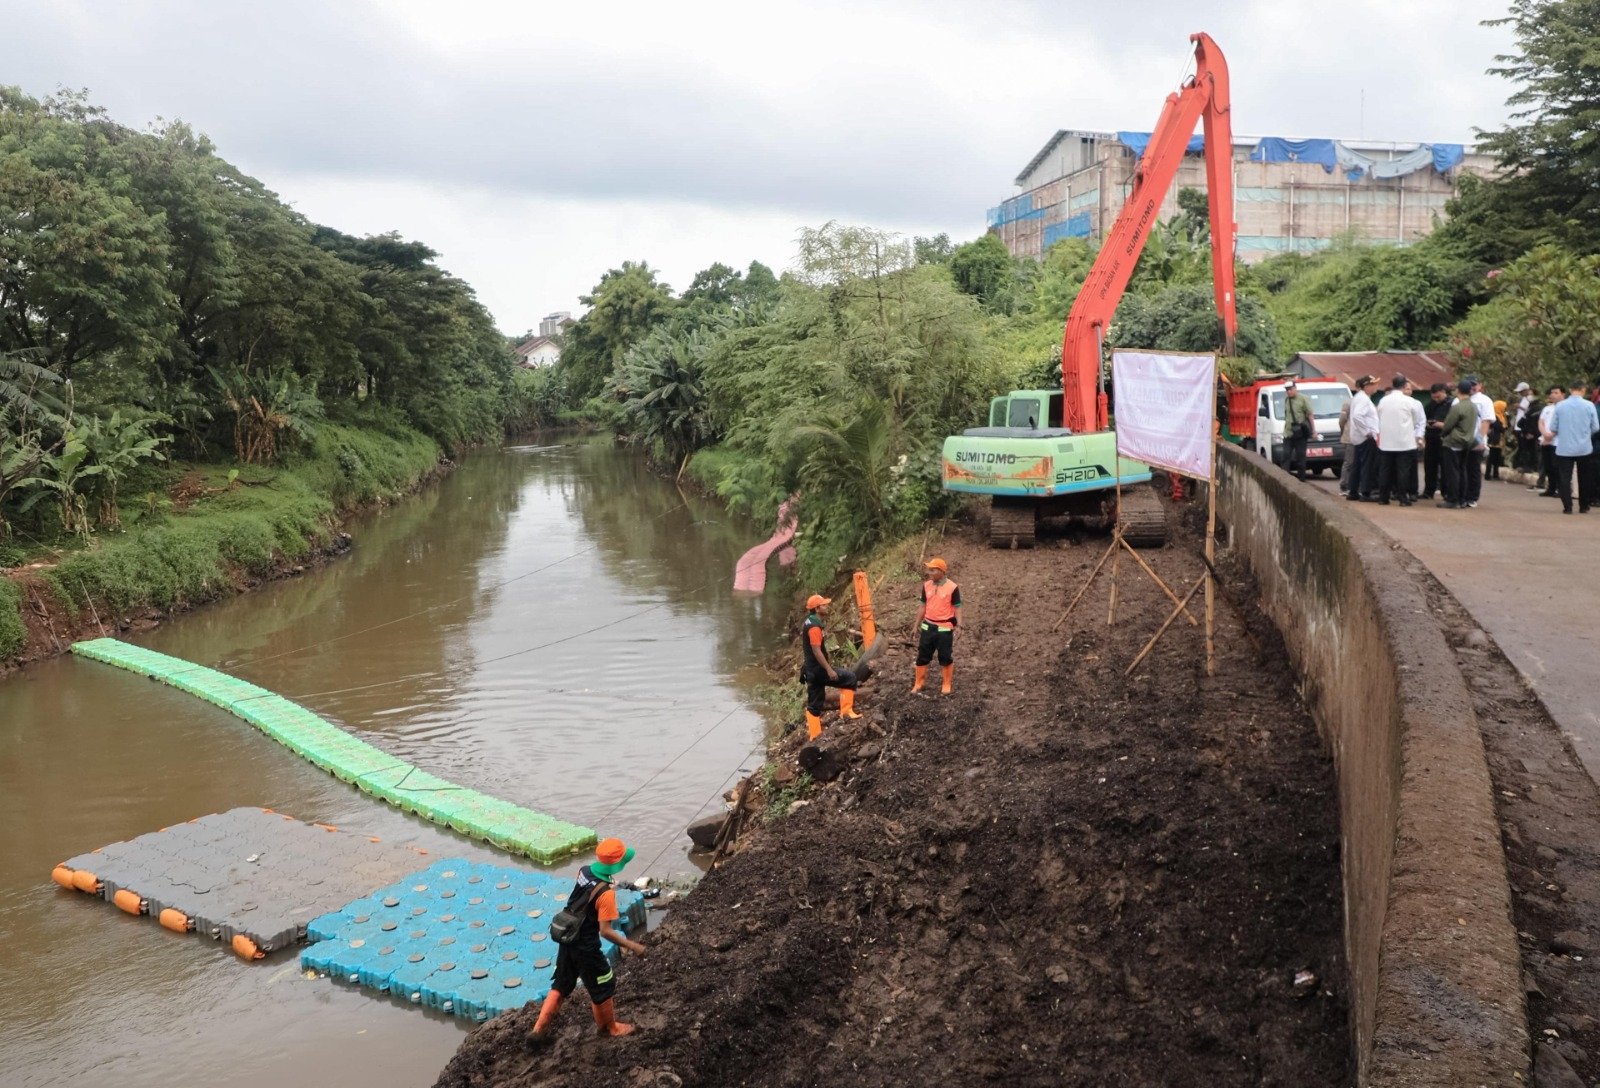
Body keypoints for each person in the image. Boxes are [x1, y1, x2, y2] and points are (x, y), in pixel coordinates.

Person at [530, 837, 648, 1041]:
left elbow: (587, 889)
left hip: (568, 937)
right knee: (603, 983)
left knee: (561, 984)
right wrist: (632, 945)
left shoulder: (583, 871)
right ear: (617, 865)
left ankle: (538, 1030)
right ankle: (609, 1028)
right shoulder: (606, 895)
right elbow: (606, 931)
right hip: (586, 946)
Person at [800, 593, 860, 740]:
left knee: (814, 703)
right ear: (817, 608)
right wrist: (829, 669)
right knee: (850, 678)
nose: (827, 607)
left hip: (810, 670)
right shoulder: (814, 627)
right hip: (818, 670)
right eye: (824, 605)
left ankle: (815, 735)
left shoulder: (809, 622)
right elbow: (816, 650)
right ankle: (846, 712)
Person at [1548, 378, 1600, 514]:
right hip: (1584, 447)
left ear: (1570, 390)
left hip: (1564, 447)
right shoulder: (1589, 405)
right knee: (1584, 477)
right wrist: (1585, 434)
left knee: (1565, 477)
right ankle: (1583, 505)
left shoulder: (1560, 406)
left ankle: (1567, 506)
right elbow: (1595, 427)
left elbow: (1554, 426)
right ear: (1583, 390)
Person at [911, 558, 961, 695]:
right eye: (929, 570)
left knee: (945, 656)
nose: (930, 573)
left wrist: (959, 625)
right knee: (922, 656)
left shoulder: (952, 587)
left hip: (945, 628)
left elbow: (957, 607)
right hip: (928, 626)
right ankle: (919, 683)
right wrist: (916, 625)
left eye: (932, 570)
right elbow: (922, 606)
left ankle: (946, 684)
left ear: (941, 571)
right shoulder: (926, 586)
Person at [1376, 376, 1425, 505]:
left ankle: (1383, 498)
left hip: (1386, 442)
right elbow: (1416, 420)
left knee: (1385, 470)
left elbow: (1379, 417)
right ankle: (1403, 499)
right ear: (1404, 386)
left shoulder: (1383, 401)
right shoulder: (1409, 401)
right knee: (1403, 471)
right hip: (1404, 442)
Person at [1438, 379, 1479, 510]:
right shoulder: (1473, 406)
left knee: (1452, 472)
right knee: (1462, 470)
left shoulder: (1457, 407)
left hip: (1454, 441)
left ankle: (1452, 499)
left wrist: (1443, 434)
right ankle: (1462, 499)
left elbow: (1448, 424)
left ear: (1458, 391)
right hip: (1467, 441)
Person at [1346, 375, 1380, 501]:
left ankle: (1353, 491)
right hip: (1366, 438)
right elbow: (1357, 416)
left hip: (1359, 437)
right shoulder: (1363, 399)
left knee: (1358, 464)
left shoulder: (1360, 398)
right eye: (1374, 384)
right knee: (1367, 465)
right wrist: (1367, 431)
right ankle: (1366, 492)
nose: (1376, 387)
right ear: (1366, 386)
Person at [1465, 376, 1494, 507]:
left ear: (1479, 385)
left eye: (1474, 385)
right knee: (1461, 469)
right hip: (1461, 440)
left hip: (1476, 440)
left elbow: (1486, 420)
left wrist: (1480, 439)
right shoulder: (1459, 399)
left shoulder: (1484, 400)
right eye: (1470, 384)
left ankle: (1472, 497)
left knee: (1473, 469)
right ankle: (1462, 494)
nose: (1472, 387)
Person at [1421, 383, 1452, 500]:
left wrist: (1441, 425)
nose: (1436, 400)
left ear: (1444, 392)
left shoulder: (1451, 405)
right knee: (1429, 466)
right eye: (1434, 397)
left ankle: (1446, 491)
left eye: (1438, 397)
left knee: (1445, 467)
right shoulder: (1430, 405)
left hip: (1444, 438)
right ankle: (1428, 491)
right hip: (1431, 437)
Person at [1281, 380, 1314, 482]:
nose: (1289, 392)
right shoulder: (1287, 400)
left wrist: (1314, 430)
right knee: (1285, 456)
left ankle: (1301, 479)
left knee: (1300, 457)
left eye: (1290, 389)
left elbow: (1310, 415)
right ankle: (1284, 479)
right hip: (1288, 432)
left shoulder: (1303, 399)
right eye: (1287, 390)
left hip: (1300, 433)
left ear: (1295, 388)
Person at [1537, 387, 1566, 496]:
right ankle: (1551, 488)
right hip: (1545, 440)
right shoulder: (1547, 408)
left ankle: (1560, 489)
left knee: (1557, 467)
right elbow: (1541, 422)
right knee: (1547, 466)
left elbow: (1562, 424)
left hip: (1557, 441)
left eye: (1556, 393)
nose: (1553, 395)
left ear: (1563, 394)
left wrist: (1551, 435)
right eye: (1551, 393)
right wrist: (1545, 434)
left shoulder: (1564, 408)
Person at [1485, 400, 1507, 480]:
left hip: (1500, 440)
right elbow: (1499, 427)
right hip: (1494, 439)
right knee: (1491, 457)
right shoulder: (1494, 416)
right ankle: (1487, 474)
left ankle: (1495, 473)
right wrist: (1503, 428)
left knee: (1497, 457)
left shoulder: (1502, 417)